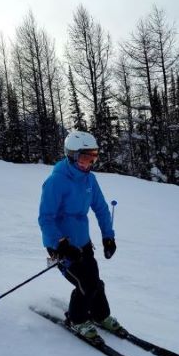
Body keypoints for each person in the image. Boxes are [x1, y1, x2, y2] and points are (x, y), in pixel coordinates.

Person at [38, 131, 121, 339]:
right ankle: (77, 320)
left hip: (83, 243)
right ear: (72, 155)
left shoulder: (89, 180)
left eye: (93, 158)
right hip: (61, 246)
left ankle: (101, 315)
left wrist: (108, 237)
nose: (89, 163)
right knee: (86, 284)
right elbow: (45, 219)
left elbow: (101, 209)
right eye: (84, 158)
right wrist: (61, 243)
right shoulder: (56, 181)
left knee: (95, 282)